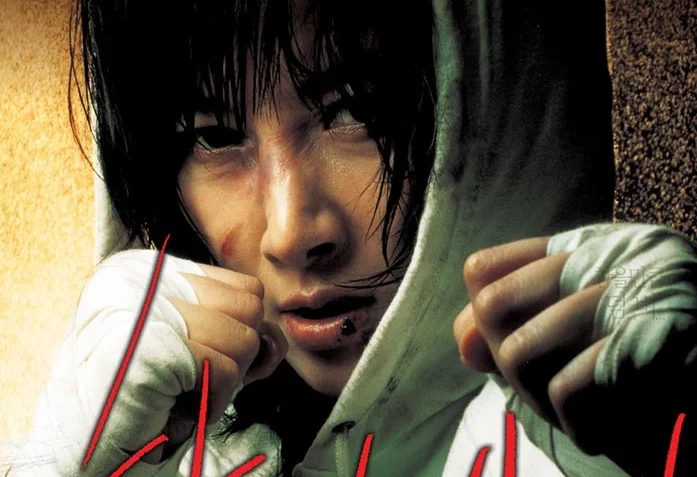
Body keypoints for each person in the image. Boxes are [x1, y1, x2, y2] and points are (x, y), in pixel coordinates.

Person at [7, 0, 697, 476]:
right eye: (213, 137)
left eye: (357, 110)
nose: (290, 233)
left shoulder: (600, 441)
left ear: (509, 101)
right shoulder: (150, 445)